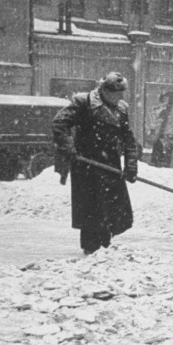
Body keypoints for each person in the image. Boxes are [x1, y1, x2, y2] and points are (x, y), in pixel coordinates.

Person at [52, 71, 139, 255]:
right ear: (104, 90)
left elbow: (128, 139)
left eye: (121, 94)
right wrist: (69, 148)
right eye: (115, 94)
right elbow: (60, 123)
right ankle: (91, 250)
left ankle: (105, 249)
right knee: (91, 210)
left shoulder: (121, 109)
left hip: (111, 164)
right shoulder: (84, 102)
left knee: (113, 209)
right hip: (87, 164)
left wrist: (131, 165)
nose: (119, 98)